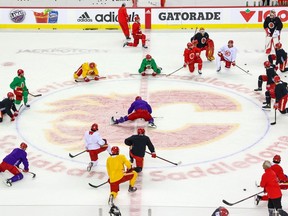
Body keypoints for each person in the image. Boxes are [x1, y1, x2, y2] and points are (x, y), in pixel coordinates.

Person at [106, 146, 137, 213]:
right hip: (121, 176)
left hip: (112, 179)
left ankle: (112, 196)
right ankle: (131, 187)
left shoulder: (108, 159)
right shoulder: (121, 156)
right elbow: (128, 164)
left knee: (115, 192)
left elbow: (108, 170)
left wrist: (110, 177)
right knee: (134, 173)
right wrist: (130, 169)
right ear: (118, 151)